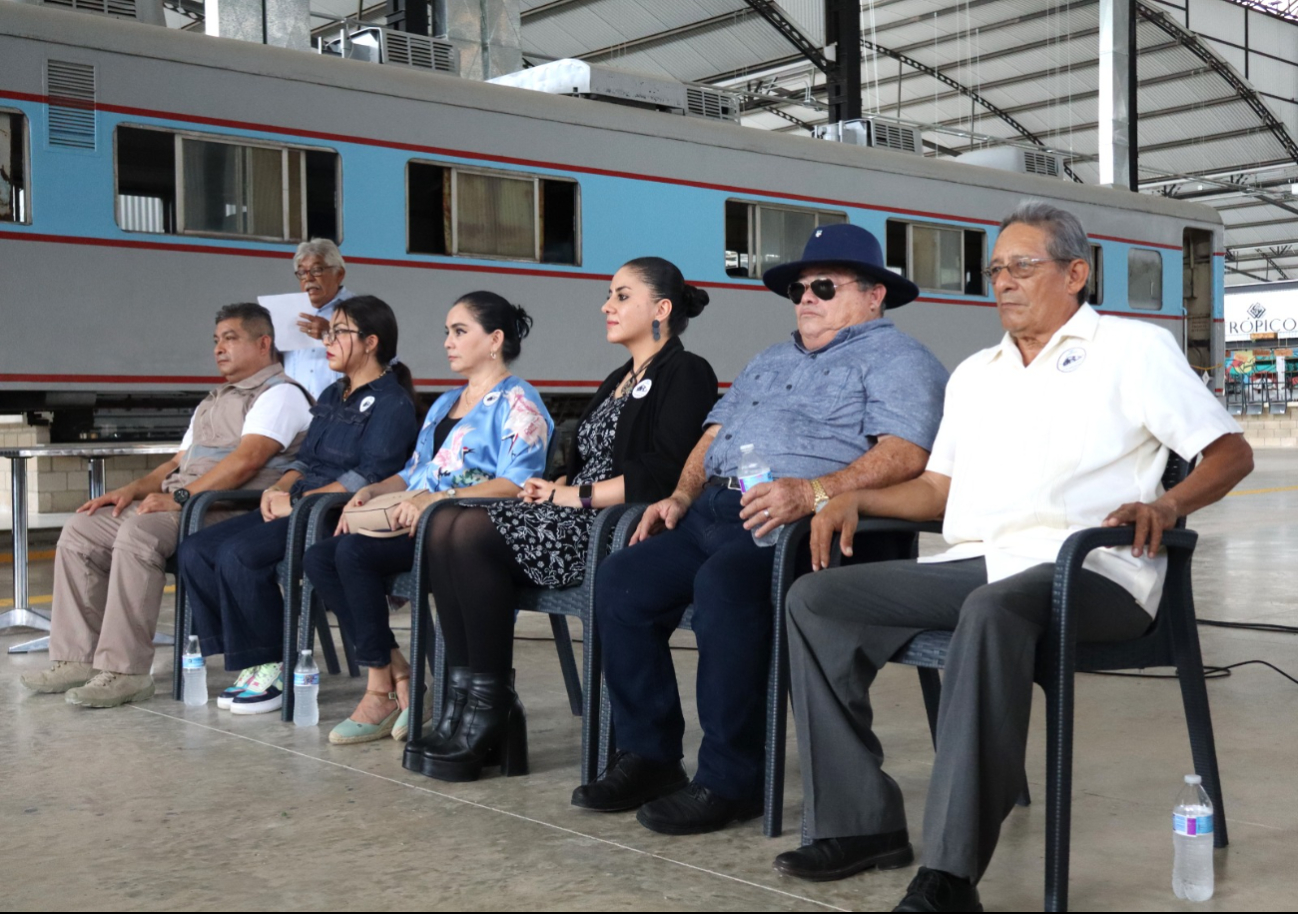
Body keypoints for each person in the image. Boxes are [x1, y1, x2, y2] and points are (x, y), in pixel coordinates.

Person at [773, 201, 1254, 913]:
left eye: (1022, 266)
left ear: (1075, 274)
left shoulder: (1132, 349)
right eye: (996, 269)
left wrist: (1168, 506)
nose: (1003, 281)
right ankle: (860, 824)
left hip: (1093, 571)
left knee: (992, 610)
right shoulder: (977, 373)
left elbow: (1230, 451)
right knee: (816, 602)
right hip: (982, 563)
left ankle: (950, 874)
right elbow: (938, 490)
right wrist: (851, 499)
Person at [574, 224, 949, 835]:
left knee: (725, 586)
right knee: (622, 580)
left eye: (823, 286)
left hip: (813, 528)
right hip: (718, 513)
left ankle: (731, 779)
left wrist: (815, 492)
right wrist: (679, 495)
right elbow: (713, 435)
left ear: (874, 294)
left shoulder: (899, 360)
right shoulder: (771, 359)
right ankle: (649, 755)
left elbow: (906, 452)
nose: (805, 297)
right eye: (799, 288)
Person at [410, 256, 718, 783]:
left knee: (468, 528)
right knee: (445, 521)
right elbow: (579, 465)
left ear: (661, 309)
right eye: (609, 294)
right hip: (571, 512)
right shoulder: (619, 378)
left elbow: (663, 473)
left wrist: (573, 497)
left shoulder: (686, 371)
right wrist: (551, 487)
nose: (607, 306)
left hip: (607, 525)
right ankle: (468, 703)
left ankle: (490, 711)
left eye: (622, 296)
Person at [21, 303, 314, 708]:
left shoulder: (280, 394)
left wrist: (180, 498)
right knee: (81, 529)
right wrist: (132, 490)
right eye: (216, 341)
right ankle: (77, 657)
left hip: (225, 510)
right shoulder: (214, 400)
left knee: (138, 534)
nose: (219, 349)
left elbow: (246, 460)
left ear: (263, 344)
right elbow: (177, 462)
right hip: (187, 502)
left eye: (230, 339)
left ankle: (126, 671)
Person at [303, 292, 552, 746]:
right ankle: (396, 673)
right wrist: (373, 490)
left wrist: (436, 502)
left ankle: (381, 691)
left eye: (460, 331)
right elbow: (417, 470)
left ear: (494, 340)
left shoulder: (519, 401)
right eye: (446, 332)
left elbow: (519, 483)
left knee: (354, 553)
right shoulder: (444, 403)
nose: (447, 342)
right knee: (321, 557)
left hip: (465, 534)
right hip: (418, 519)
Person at [175, 296, 419, 715]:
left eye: (338, 332)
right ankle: (247, 655)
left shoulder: (391, 402)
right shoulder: (332, 392)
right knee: (195, 549)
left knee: (241, 555)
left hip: (334, 515)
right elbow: (305, 462)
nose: (328, 340)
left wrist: (301, 502)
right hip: (303, 504)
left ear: (370, 342)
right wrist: (280, 490)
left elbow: (366, 477)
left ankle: (273, 665)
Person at [284, 238, 354, 399]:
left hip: (340, 410)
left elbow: (383, 358)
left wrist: (330, 332)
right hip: (297, 412)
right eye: (302, 272)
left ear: (339, 274)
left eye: (316, 270)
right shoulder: (287, 312)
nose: (308, 278)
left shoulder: (360, 309)